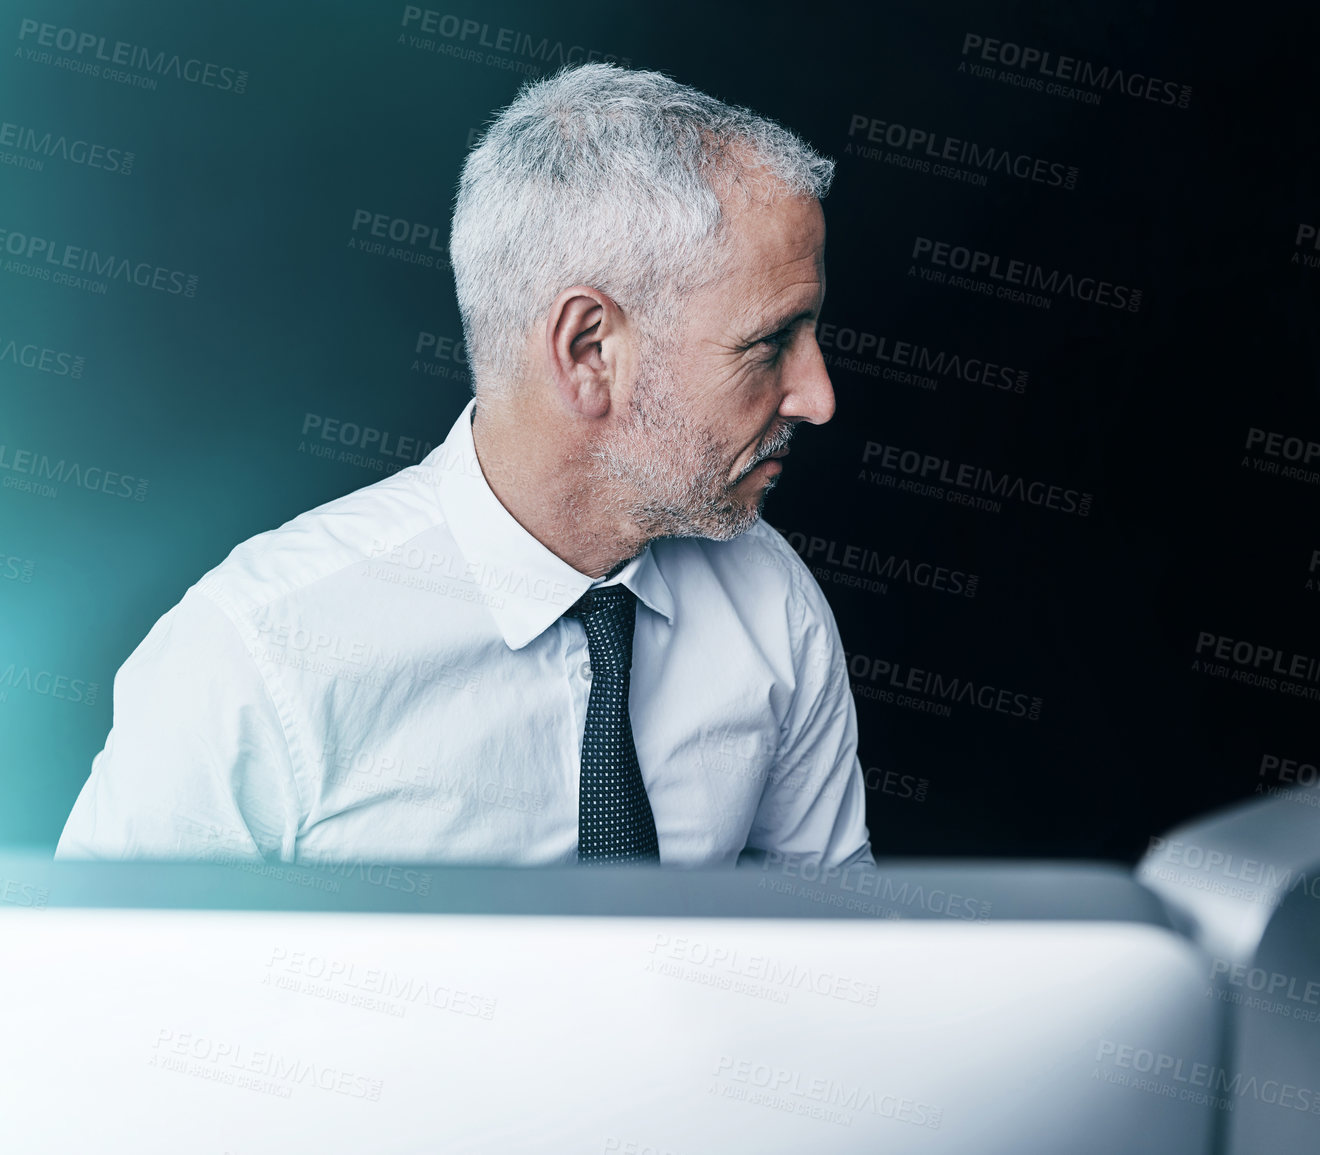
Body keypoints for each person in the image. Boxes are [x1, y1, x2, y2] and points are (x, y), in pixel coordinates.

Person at [55, 63, 872, 872]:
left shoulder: (773, 608)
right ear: (589, 351)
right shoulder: (255, 657)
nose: (817, 397)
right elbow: (93, 994)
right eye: (770, 343)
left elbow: (836, 967)